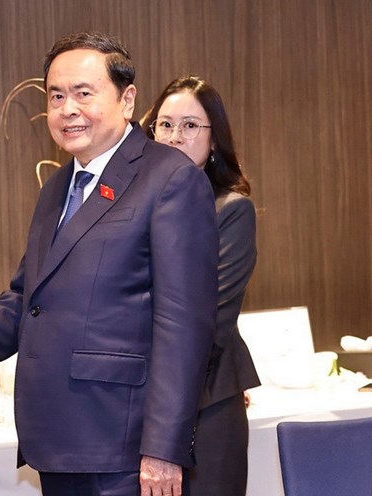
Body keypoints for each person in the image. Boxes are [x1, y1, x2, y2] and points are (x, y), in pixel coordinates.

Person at [0, 32, 219, 496]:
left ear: (127, 100)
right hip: (59, 440)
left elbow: (183, 325)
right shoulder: (58, 186)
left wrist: (163, 448)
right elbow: (28, 298)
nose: (67, 108)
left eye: (84, 93)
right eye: (56, 96)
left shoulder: (170, 179)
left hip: (125, 447)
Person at [141, 75, 261, 496]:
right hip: (138, 403)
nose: (175, 137)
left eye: (191, 125)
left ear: (214, 140)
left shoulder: (230, 210)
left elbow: (207, 324)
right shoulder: (132, 206)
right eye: (165, 124)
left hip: (206, 403)